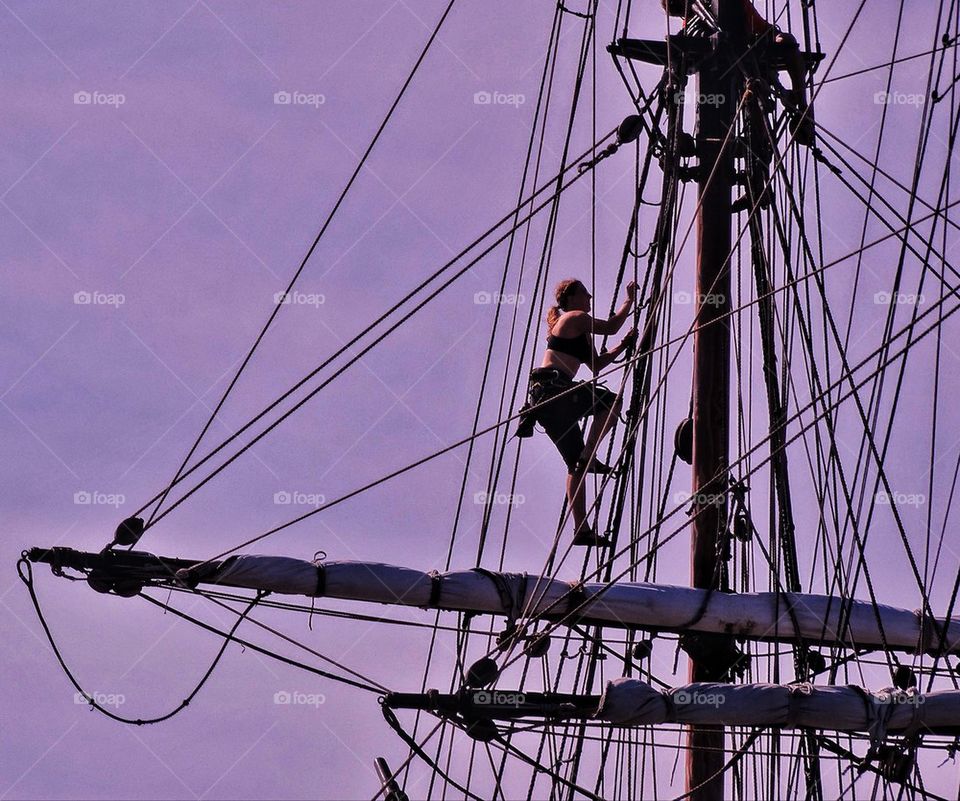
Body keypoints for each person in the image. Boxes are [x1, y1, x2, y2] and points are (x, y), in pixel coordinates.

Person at [522, 279, 637, 547]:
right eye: (586, 292)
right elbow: (609, 326)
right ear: (572, 298)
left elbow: (597, 365)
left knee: (575, 466)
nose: (590, 296)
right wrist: (629, 301)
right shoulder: (574, 318)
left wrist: (622, 345)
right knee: (612, 402)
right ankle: (589, 457)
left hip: (545, 400)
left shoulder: (579, 331)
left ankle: (581, 530)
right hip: (554, 389)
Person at [661, 0, 815, 146]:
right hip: (742, 63)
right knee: (754, 87)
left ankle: (800, 106)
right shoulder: (691, 26)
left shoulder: (730, 6)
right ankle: (759, 143)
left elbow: (768, 32)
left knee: (782, 46)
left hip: (753, 49)